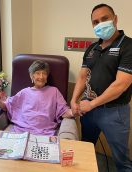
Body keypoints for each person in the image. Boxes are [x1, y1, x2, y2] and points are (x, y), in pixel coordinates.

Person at [71, 4, 132, 171]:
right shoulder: (92, 48)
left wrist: (92, 103)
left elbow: (121, 84)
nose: (100, 24)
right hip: (88, 111)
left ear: (115, 19)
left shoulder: (128, 46)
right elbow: (83, 76)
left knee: (121, 160)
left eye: (105, 19)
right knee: (86, 150)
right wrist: (73, 99)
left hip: (114, 113)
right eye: (95, 22)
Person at [0, 60, 74, 136]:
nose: (41, 76)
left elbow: (64, 111)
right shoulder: (24, 92)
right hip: (22, 130)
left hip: (45, 132)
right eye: (38, 73)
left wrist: (74, 111)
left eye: (44, 73)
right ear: (31, 76)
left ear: (47, 77)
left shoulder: (54, 91)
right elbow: (7, 105)